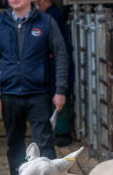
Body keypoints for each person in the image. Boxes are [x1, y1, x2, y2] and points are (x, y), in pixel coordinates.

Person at [0, 0, 69, 175]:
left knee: (44, 143)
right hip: (10, 94)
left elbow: (61, 55)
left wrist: (60, 89)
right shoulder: (0, 23)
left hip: (38, 93)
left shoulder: (46, 22)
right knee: (14, 143)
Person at [35, 0, 73, 147]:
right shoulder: (53, 14)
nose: (37, 7)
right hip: (54, 64)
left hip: (56, 64)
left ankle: (62, 133)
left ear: (45, 1)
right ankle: (58, 132)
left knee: (60, 97)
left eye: (39, 3)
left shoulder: (52, 16)